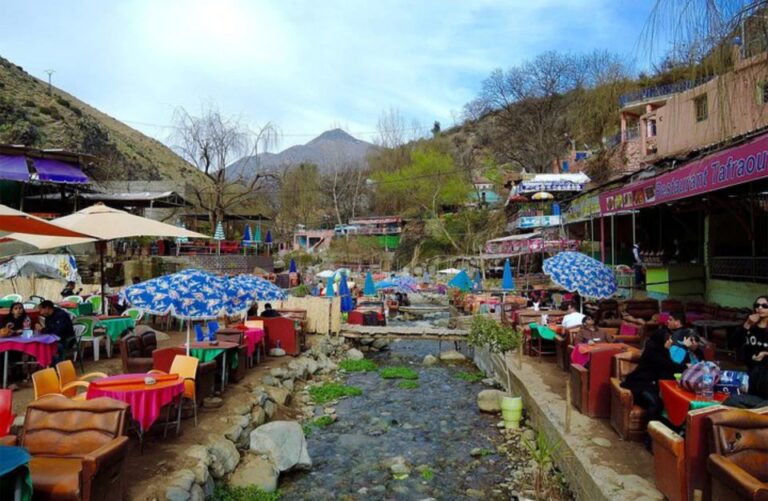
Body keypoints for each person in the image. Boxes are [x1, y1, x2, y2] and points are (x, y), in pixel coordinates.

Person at [621, 327, 687, 438]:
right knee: (656, 404)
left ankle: (670, 432)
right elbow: (670, 366)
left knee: (670, 401)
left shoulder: (663, 351)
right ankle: (649, 436)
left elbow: (670, 368)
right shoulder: (652, 352)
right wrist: (685, 367)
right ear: (661, 340)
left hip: (651, 385)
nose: (671, 341)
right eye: (668, 339)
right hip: (639, 384)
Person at [736, 295, 768, 398]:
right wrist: (747, 323)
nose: (760, 308)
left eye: (764, 305)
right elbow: (734, 342)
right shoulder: (751, 325)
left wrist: (766, 353)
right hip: (750, 372)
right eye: (757, 305)